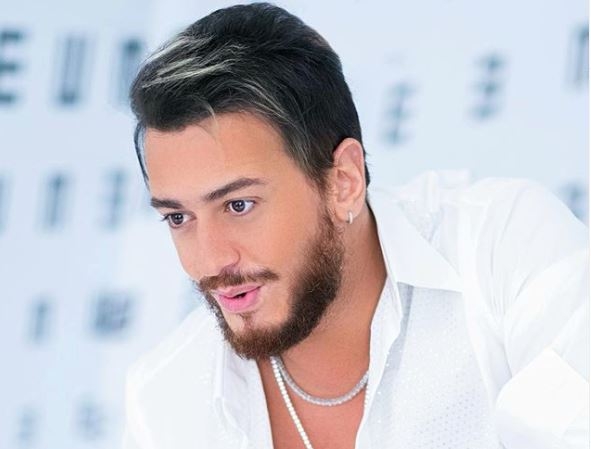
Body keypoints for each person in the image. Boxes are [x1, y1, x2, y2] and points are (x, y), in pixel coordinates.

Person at [123, 3, 589, 448]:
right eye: (178, 217)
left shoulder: (502, 249)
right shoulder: (164, 401)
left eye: (239, 205)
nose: (210, 261)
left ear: (343, 181)